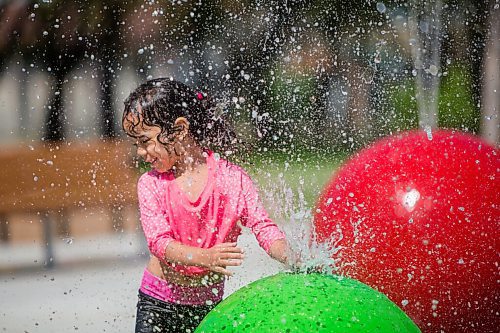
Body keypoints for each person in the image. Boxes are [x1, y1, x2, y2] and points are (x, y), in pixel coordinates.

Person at [122, 78, 293, 333]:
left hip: (207, 307)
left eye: (145, 141)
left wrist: (292, 257)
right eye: (137, 144)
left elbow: (264, 228)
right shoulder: (151, 184)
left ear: (179, 129)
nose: (140, 152)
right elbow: (159, 243)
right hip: (158, 303)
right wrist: (206, 257)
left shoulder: (232, 180)